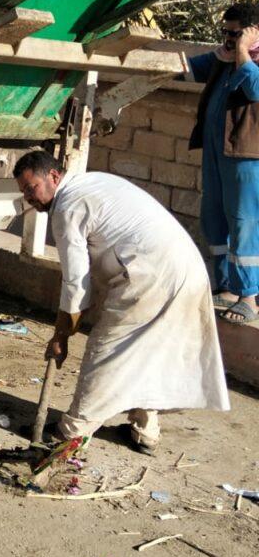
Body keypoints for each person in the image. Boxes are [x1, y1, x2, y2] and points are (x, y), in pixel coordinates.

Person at [13, 151, 229, 451]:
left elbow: (76, 281)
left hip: (150, 275)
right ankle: (146, 430)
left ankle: (71, 433)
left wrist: (61, 335)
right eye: (24, 192)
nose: (29, 198)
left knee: (105, 351)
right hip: (184, 268)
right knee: (147, 350)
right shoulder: (92, 182)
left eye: (31, 188)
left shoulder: (68, 206)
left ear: (53, 176)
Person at [188, 2, 259, 325]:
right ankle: (226, 286)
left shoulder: (250, 60)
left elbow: (254, 88)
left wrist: (244, 51)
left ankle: (249, 296)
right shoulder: (224, 58)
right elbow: (186, 67)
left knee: (245, 222)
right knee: (214, 218)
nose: (227, 39)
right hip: (217, 152)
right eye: (225, 32)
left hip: (246, 157)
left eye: (235, 33)